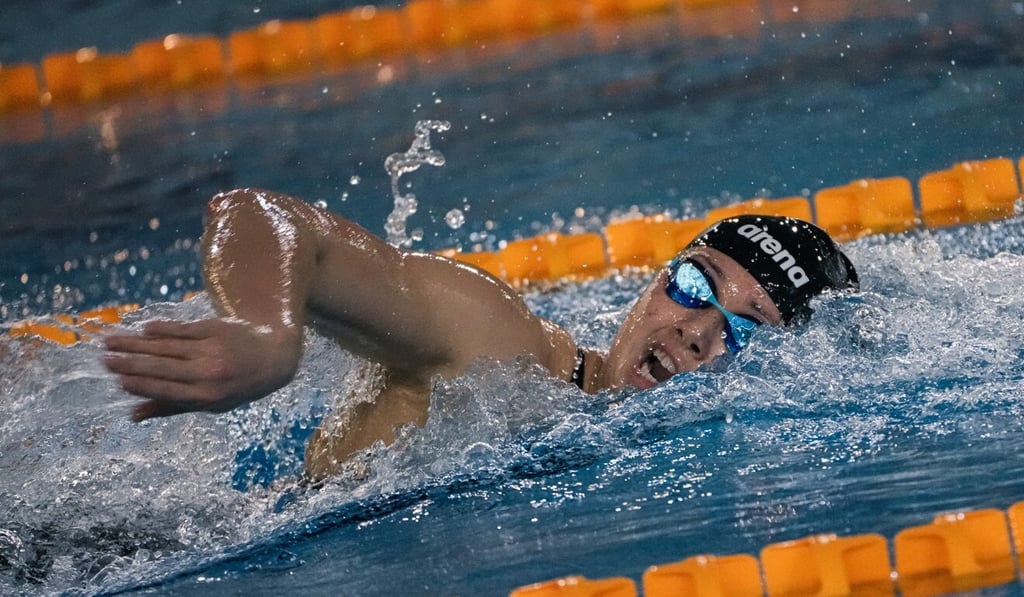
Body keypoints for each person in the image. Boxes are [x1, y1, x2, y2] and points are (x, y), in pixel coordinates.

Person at [102, 188, 858, 480]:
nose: (693, 331)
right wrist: (264, 330)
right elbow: (262, 213)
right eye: (693, 285)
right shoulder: (499, 342)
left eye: (742, 328)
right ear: (652, 281)